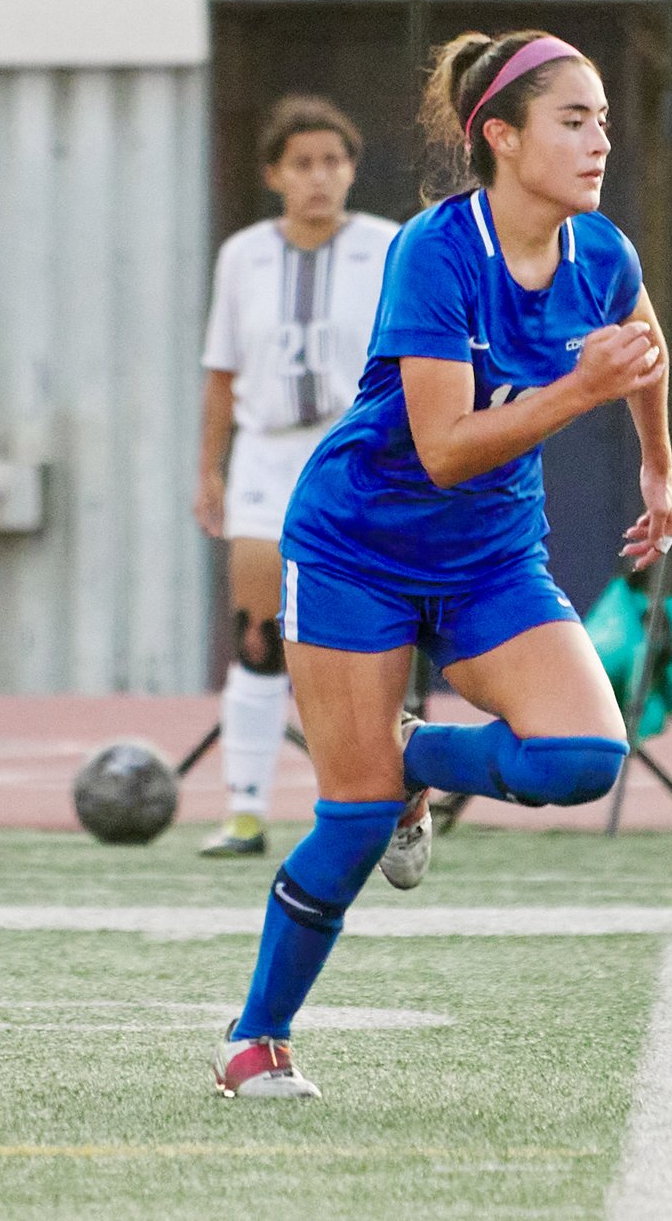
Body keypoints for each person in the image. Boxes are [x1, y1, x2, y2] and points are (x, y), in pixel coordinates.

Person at [210, 30, 672, 1098]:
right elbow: (444, 445)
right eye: (575, 119)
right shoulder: (434, 247)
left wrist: (657, 472)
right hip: (355, 548)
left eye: (603, 119)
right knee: (353, 817)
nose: (599, 139)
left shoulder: (601, 252)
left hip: (487, 556)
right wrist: (579, 393)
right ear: (501, 137)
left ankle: (418, 753)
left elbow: (641, 349)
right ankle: (255, 1035)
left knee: (583, 758)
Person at [195, 97, 402, 859]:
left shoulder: (388, 246)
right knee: (259, 634)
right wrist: (207, 471)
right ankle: (244, 810)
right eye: (303, 164)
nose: (320, 178)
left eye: (333, 162)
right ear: (274, 175)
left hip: (355, 454)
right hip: (267, 454)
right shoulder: (243, 255)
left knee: (362, 637)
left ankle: (364, 802)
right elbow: (221, 373)